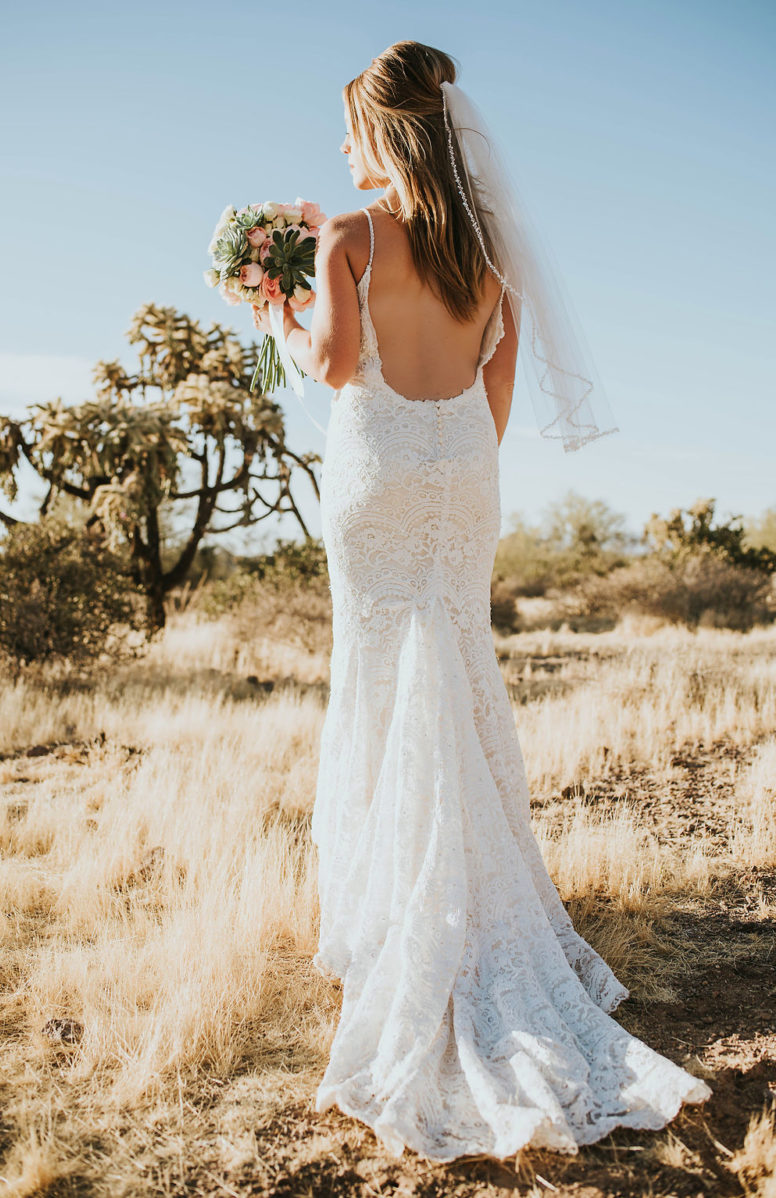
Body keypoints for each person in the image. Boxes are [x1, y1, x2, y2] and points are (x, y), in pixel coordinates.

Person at [252, 39, 711, 1164]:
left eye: (349, 128)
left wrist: (267, 302)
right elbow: (492, 403)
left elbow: (328, 363)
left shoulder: (348, 238)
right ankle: (474, 905)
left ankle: (392, 927)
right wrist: (444, 454)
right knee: (455, 670)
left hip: (375, 476)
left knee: (375, 678)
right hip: (463, 478)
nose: (340, 149)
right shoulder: (494, 259)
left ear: (382, 133)